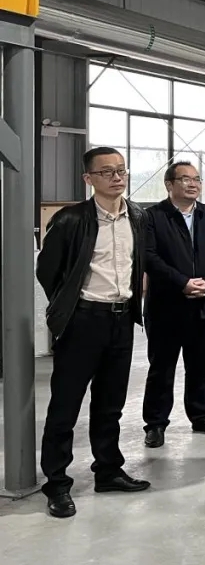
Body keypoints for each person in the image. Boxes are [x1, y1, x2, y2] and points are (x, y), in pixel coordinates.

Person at [36, 147, 152, 518]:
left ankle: (108, 471)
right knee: (65, 405)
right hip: (83, 320)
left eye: (121, 170)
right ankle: (57, 484)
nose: (117, 177)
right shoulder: (71, 219)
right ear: (89, 179)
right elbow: (48, 270)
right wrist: (70, 306)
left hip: (122, 320)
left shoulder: (138, 217)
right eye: (107, 172)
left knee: (110, 403)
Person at [142, 161, 205, 449]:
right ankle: (155, 423)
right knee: (162, 367)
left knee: (200, 365)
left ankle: (201, 416)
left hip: (202, 305)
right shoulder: (153, 216)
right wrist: (182, 283)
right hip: (166, 307)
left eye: (197, 179)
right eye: (185, 179)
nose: (193, 184)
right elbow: (149, 257)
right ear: (169, 184)